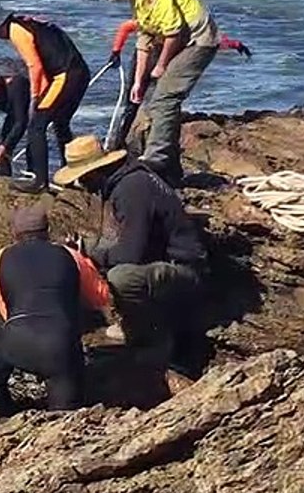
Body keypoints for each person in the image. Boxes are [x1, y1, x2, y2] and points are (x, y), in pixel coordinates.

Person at [52, 135, 207, 374]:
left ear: (95, 172)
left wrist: (90, 254)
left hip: (186, 270)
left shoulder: (131, 190)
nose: (82, 184)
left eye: (82, 178)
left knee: (122, 277)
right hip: (167, 261)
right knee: (112, 263)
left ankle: (154, 336)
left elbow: (129, 255)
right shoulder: (130, 180)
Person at [96, 0, 220, 186]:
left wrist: (161, 65)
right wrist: (137, 82)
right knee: (157, 100)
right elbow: (144, 39)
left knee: (165, 98)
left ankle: (155, 159)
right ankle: (172, 170)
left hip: (199, 41)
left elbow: (172, 32)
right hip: (181, 41)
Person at [0, 204, 112, 416]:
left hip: (15, 342)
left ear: (15, 233)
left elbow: (4, 308)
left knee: (3, 352)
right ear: (47, 231)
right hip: (58, 346)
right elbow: (101, 297)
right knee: (64, 415)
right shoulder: (70, 255)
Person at [0, 8, 91, 192]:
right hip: (77, 72)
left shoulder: (17, 31)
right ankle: (69, 174)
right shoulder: (28, 24)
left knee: (36, 124)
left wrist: (35, 98)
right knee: (60, 123)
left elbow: (35, 66)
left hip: (66, 75)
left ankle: (40, 182)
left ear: (0, 27)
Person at [106, 19, 252, 152]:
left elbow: (210, 41)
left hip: (162, 61)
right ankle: (121, 140)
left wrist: (235, 44)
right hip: (147, 59)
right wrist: (116, 51)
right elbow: (126, 27)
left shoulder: (181, 27)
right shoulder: (158, 21)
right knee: (136, 103)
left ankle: (134, 140)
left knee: (152, 102)